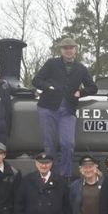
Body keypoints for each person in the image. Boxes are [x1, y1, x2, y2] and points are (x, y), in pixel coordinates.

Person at [31, 36, 97, 180]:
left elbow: (93, 87)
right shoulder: (51, 63)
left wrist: (81, 92)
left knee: (68, 143)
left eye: (71, 48)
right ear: (61, 50)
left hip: (68, 110)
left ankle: (65, 176)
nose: (68, 51)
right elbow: (36, 80)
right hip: (48, 108)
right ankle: (50, 176)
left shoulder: (81, 68)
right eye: (65, 48)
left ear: (75, 50)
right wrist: (48, 87)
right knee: (49, 144)